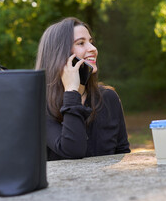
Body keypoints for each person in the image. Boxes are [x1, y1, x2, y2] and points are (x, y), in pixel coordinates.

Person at [35, 17, 130, 161]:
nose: (93, 49)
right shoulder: (40, 106)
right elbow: (73, 151)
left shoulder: (108, 97)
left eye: (91, 42)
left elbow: (122, 152)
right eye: (81, 43)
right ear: (59, 54)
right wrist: (72, 92)